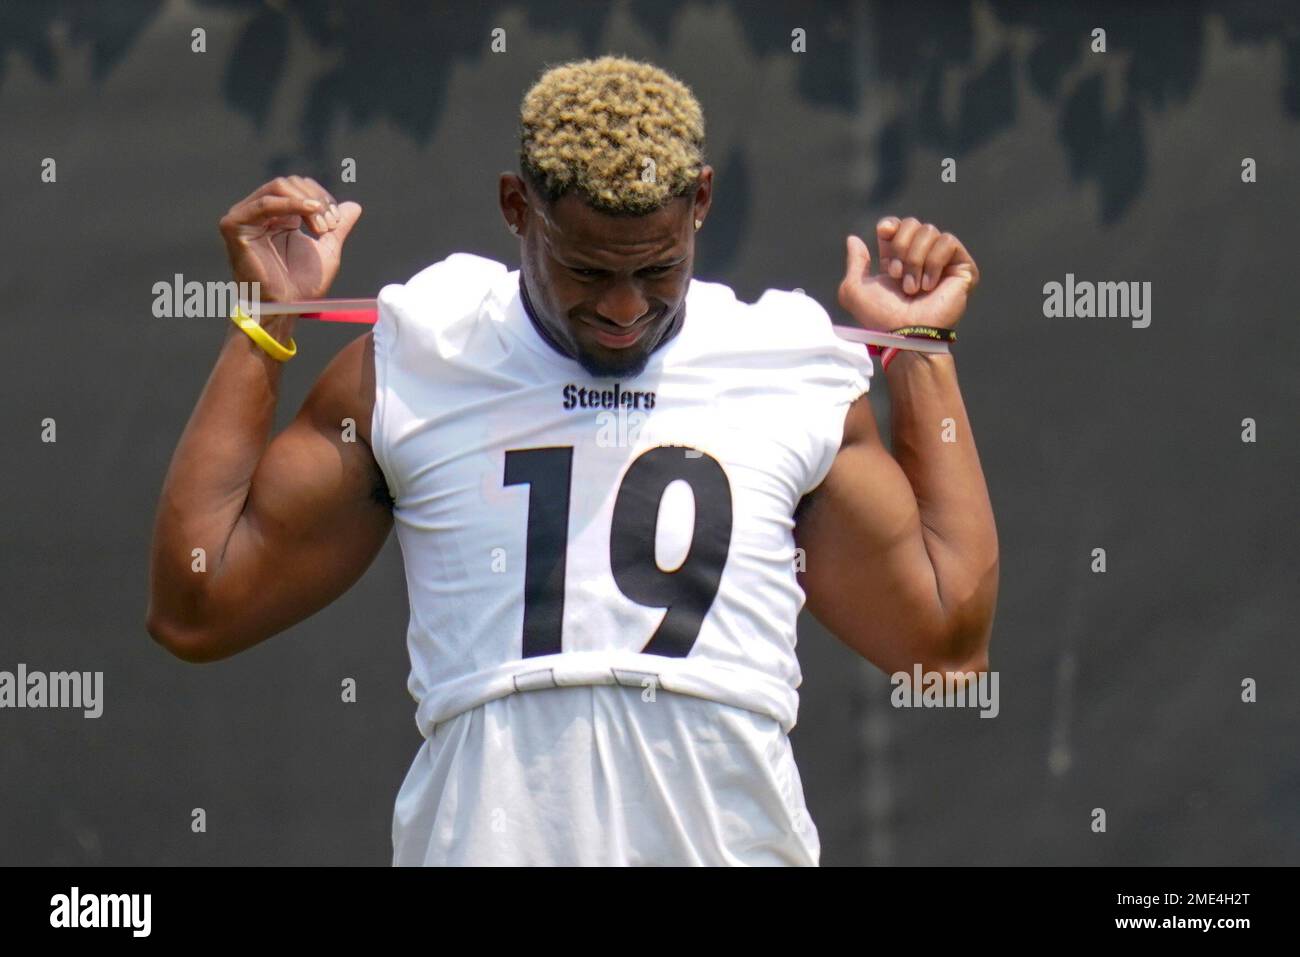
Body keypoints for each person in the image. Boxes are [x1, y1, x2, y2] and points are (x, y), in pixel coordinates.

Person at [146, 55, 998, 866]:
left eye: (658, 269)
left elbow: (945, 648)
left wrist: (920, 351)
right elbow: (199, 603)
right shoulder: (424, 355)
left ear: (701, 201)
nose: (625, 308)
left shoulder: (782, 363)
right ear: (516, 207)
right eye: (587, 270)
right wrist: (265, 326)